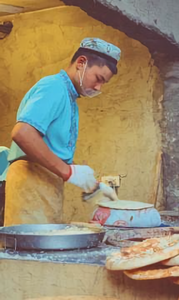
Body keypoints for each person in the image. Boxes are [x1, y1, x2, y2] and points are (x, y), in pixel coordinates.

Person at [4, 38, 121, 226]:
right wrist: (68, 172)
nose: (99, 87)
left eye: (103, 84)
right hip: (30, 181)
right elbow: (22, 133)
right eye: (99, 79)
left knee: (45, 246)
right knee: (29, 252)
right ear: (81, 63)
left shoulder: (69, 98)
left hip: (47, 182)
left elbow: (52, 150)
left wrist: (92, 184)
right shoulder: (54, 87)